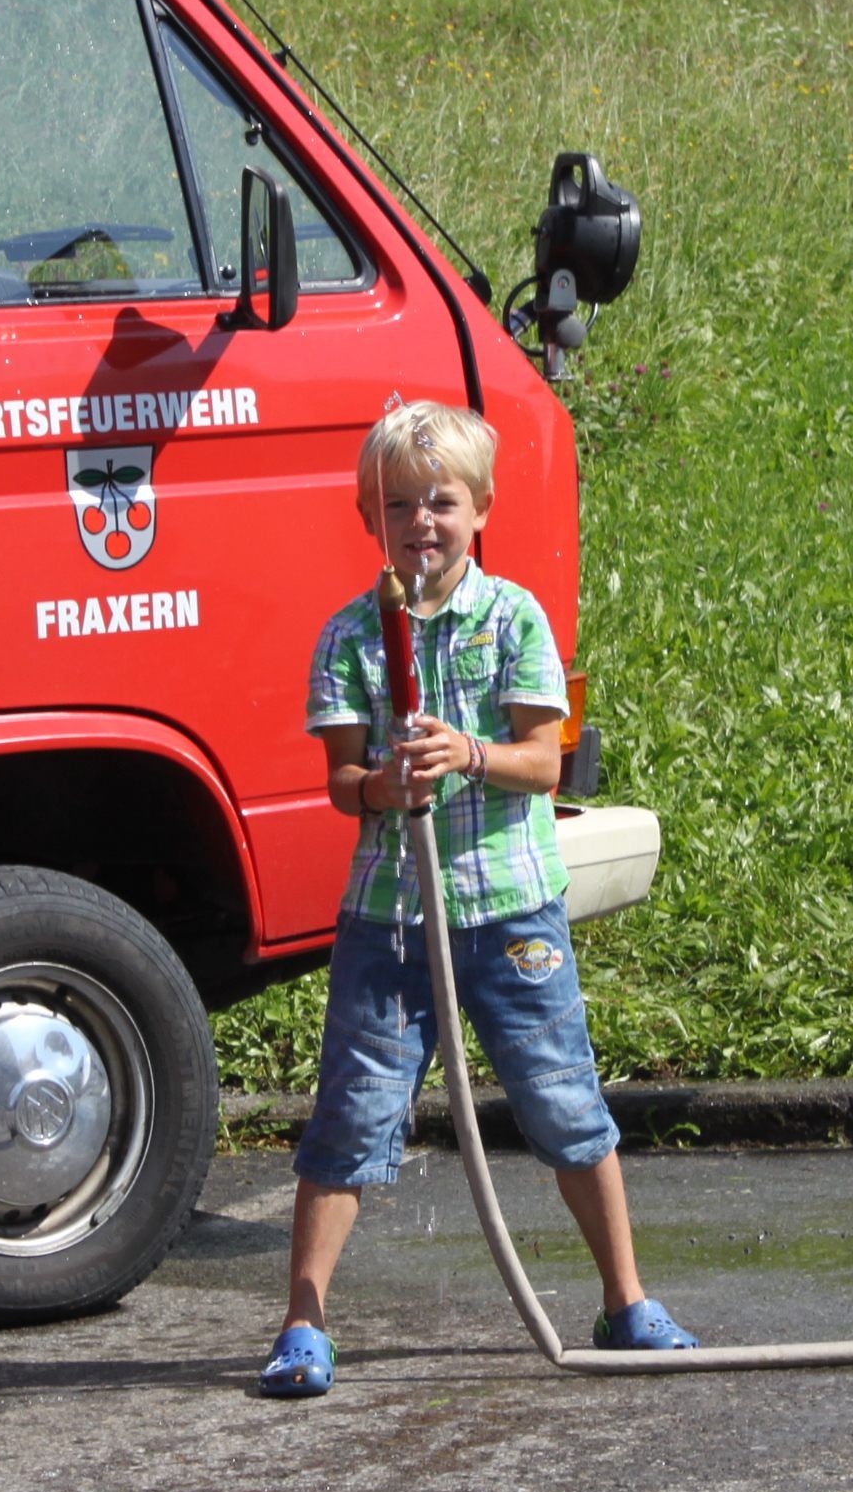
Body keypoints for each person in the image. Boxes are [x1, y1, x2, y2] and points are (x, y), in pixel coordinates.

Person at [260, 402, 695, 1398]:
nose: (421, 523)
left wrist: (469, 755)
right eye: (398, 505)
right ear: (370, 517)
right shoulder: (353, 638)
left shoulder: (516, 620)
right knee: (353, 1112)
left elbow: (545, 763)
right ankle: (303, 1322)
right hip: (395, 916)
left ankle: (627, 1300)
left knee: (562, 1100)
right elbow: (340, 784)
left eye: (441, 502)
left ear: (481, 508)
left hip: (508, 912)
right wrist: (383, 784)